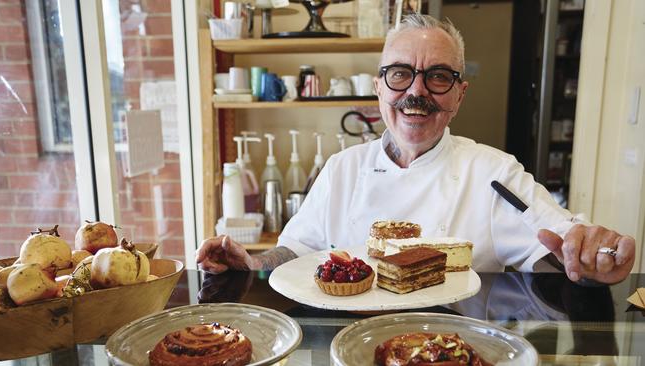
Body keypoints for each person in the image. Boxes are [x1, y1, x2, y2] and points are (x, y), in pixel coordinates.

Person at [198, 14, 635, 285]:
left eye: (438, 76)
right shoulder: (342, 169)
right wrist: (250, 264)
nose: (416, 92)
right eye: (400, 75)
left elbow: (559, 249)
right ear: (378, 89)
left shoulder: (493, 172)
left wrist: (591, 260)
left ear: (459, 95)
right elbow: (295, 250)